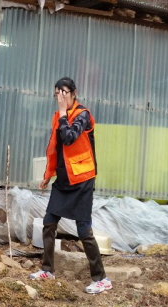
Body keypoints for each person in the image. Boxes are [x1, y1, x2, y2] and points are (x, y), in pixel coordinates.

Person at [29, 77, 112, 294]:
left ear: (74, 94)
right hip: (64, 180)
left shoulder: (82, 114)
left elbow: (69, 138)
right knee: (49, 222)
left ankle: (101, 278)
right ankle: (47, 269)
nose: (60, 97)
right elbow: (56, 148)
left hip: (82, 180)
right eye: (57, 93)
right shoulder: (58, 116)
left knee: (83, 229)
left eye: (64, 92)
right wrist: (48, 174)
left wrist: (63, 113)